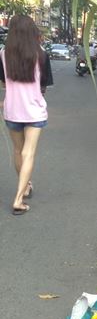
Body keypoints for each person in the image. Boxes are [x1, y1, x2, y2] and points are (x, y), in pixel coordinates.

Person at [0, 15, 54, 215]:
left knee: (17, 151)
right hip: (34, 111)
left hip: (12, 110)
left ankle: (26, 186)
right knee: (28, 153)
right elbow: (43, 86)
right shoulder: (41, 54)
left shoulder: (4, 54)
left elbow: (4, 83)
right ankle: (18, 198)